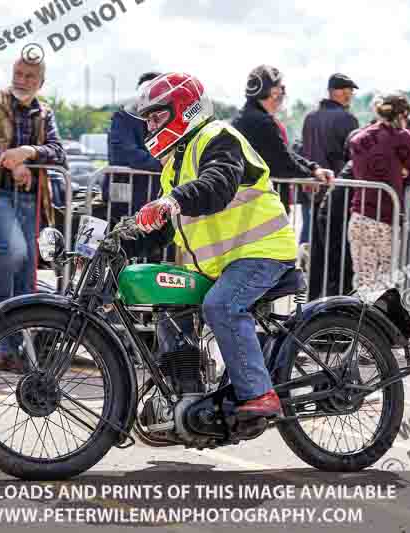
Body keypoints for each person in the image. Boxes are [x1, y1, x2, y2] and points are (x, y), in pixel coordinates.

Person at [128, 72, 299, 420]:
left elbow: (217, 183)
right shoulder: (174, 163)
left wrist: (172, 200)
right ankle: (183, 397)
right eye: (148, 119)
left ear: (184, 110)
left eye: (157, 116)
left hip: (261, 252)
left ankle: (259, 394)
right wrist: (121, 240)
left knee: (222, 306)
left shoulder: (217, 137)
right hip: (224, 264)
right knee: (170, 305)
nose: (150, 127)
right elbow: (166, 228)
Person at [0, 57, 66, 373]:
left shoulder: (45, 112)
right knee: (14, 252)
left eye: (30, 75)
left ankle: (14, 350)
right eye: (18, 73)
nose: (22, 79)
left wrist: (29, 154)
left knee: (25, 274)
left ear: (40, 82)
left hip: (32, 201)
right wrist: (6, 160)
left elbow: (58, 151)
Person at [347, 92, 410, 296]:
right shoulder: (402, 137)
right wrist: (404, 175)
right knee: (383, 283)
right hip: (386, 219)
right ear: (403, 114)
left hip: (360, 215)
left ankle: (359, 325)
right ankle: (377, 325)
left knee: (363, 280)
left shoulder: (359, 138)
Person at [231, 65, 333, 216]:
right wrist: (309, 176)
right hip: (263, 209)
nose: (283, 94)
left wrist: (312, 169)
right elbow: (282, 162)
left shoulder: (244, 118)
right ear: (273, 92)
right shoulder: (262, 122)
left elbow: (282, 152)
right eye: (282, 88)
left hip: (246, 206)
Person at [300, 73, 361, 299]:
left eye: (351, 92)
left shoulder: (310, 118)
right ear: (335, 92)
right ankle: (338, 304)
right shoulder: (348, 120)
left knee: (317, 253)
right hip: (338, 194)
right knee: (339, 254)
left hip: (314, 191)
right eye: (347, 91)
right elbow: (351, 157)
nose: (350, 96)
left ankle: (313, 302)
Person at [104, 72, 164, 260]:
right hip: (125, 203)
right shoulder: (123, 117)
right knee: (122, 256)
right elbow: (123, 154)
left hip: (157, 204)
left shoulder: (166, 119)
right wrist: (161, 163)